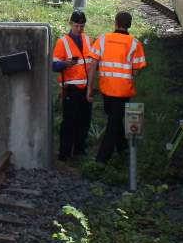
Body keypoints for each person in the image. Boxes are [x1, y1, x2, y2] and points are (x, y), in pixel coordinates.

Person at [92, 10, 148, 164]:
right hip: (123, 90)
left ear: (115, 23)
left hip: (106, 87)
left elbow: (94, 62)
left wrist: (91, 86)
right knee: (114, 121)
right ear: (129, 25)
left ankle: (102, 159)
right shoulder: (135, 44)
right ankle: (113, 153)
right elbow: (136, 71)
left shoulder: (103, 39)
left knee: (113, 119)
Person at [51, 10, 95, 161]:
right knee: (69, 121)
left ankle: (79, 150)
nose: (80, 29)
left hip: (86, 87)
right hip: (71, 88)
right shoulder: (62, 42)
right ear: (70, 24)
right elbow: (54, 66)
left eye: (82, 26)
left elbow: (92, 63)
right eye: (77, 25)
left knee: (84, 120)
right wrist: (65, 64)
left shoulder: (89, 40)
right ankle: (64, 152)